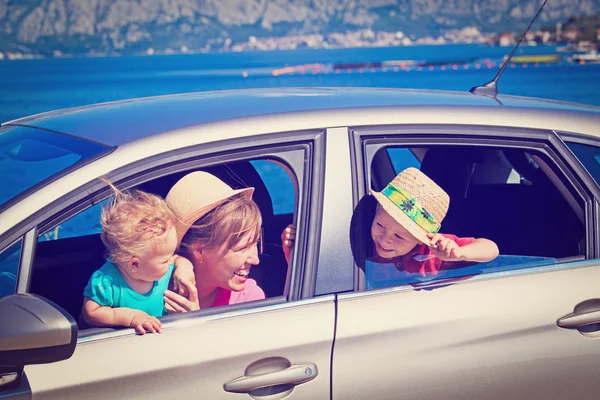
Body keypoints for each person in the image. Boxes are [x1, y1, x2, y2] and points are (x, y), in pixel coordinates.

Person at [81, 184, 195, 335]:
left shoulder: (161, 266)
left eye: (171, 255)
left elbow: (177, 259)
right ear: (135, 264)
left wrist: (184, 268)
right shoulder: (106, 281)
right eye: (165, 260)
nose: (170, 262)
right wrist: (132, 317)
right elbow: (90, 313)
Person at [365, 167, 499, 285]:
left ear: (420, 238)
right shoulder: (363, 239)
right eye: (380, 225)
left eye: (399, 236)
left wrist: (459, 253)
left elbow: (491, 249)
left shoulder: (435, 249)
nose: (384, 240)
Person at [162, 171, 270, 313]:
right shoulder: (146, 286)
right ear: (200, 250)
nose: (255, 260)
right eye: (242, 248)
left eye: (255, 243)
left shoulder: (248, 298)